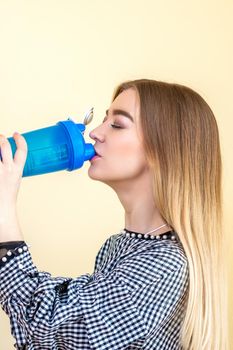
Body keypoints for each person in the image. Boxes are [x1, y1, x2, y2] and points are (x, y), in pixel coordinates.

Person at [0, 79, 228, 350]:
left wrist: (4, 210)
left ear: (162, 150)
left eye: (117, 124)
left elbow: (49, 326)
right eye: (103, 120)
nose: (95, 133)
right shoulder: (118, 246)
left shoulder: (164, 267)